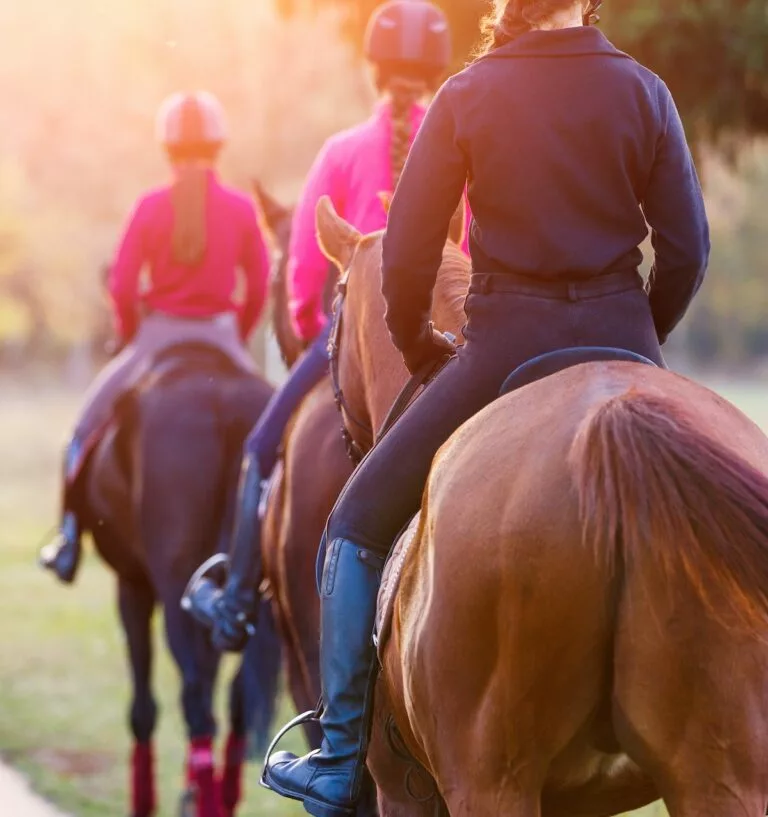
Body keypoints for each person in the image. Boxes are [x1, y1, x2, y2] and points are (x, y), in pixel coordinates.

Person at [260, 1, 711, 815]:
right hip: (624, 339)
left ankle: (336, 754)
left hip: (504, 346)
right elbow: (688, 248)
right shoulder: (645, 90)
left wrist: (419, 341)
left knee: (355, 527)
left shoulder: (470, 93)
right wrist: (642, 339)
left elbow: (405, 250)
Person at [193, 1, 455, 654]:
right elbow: (470, 251)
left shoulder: (340, 151)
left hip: (350, 330)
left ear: (374, 71)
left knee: (259, 449)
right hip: (447, 338)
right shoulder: (459, 148)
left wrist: (319, 328)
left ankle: (234, 599)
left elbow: (307, 266)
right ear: (433, 73)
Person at [39, 91, 270, 584]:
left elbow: (122, 287)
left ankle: (66, 539)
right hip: (223, 336)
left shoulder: (149, 206)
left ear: (167, 148)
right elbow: (260, 283)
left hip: (155, 336)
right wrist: (238, 334)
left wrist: (131, 337)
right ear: (219, 145)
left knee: (81, 433)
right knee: (279, 431)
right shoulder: (240, 209)